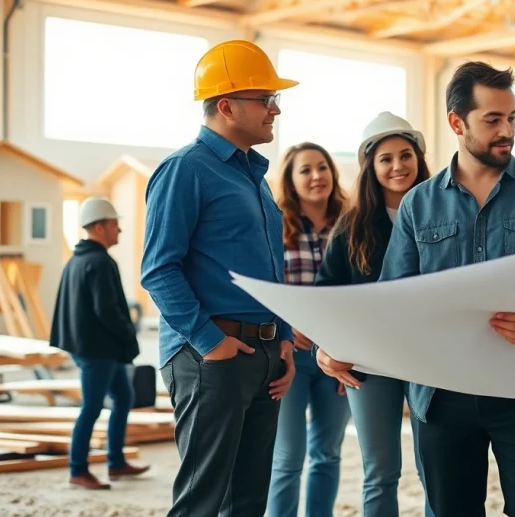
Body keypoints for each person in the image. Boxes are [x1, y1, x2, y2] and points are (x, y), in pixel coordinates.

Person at [372, 61, 515, 516]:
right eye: (492, 120)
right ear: (457, 122)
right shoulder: (419, 203)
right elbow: (391, 297)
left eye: (511, 118)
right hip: (441, 394)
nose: (506, 130)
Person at [140, 39, 298, 517]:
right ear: (226, 106)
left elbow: (273, 269)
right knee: (202, 501)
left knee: (249, 500)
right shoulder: (186, 170)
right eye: (264, 100)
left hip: (264, 355)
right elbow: (158, 269)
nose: (274, 110)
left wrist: (284, 339)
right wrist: (211, 344)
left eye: (275, 100)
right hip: (212, 356)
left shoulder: (253, 176)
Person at [312, 112, 434, 517]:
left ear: (418, 158)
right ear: (371, 167)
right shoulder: (351, 226)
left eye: (405, 155)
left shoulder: (446, 214)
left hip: (432, 361)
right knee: (380, 473)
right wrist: (325, 348)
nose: (397, 166)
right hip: (370, 363)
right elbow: (326, 295)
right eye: (386, 159)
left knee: (438, 468)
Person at [267, 142, 352, 517]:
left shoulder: (352, 224)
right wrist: (286, 325)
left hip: (338, 356)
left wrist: (352, 352)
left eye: (322, 167)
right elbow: (262, 289)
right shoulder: (273, 224)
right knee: (287, 456)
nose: (316, 176)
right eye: (305, 170)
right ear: (291, 179)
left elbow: (360, 290)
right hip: (289, 355)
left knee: (327, 453)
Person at [50, 196, 150, 490]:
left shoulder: (77, 260)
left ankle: (116, 462)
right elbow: (108, 310)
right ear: (99, 227)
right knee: (92, 408)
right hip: (98, 351)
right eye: (114, 224)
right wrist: (129, 339)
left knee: (123, 398)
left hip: (92, 348)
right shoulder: (99, 262)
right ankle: (77, 469)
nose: (119, 230)